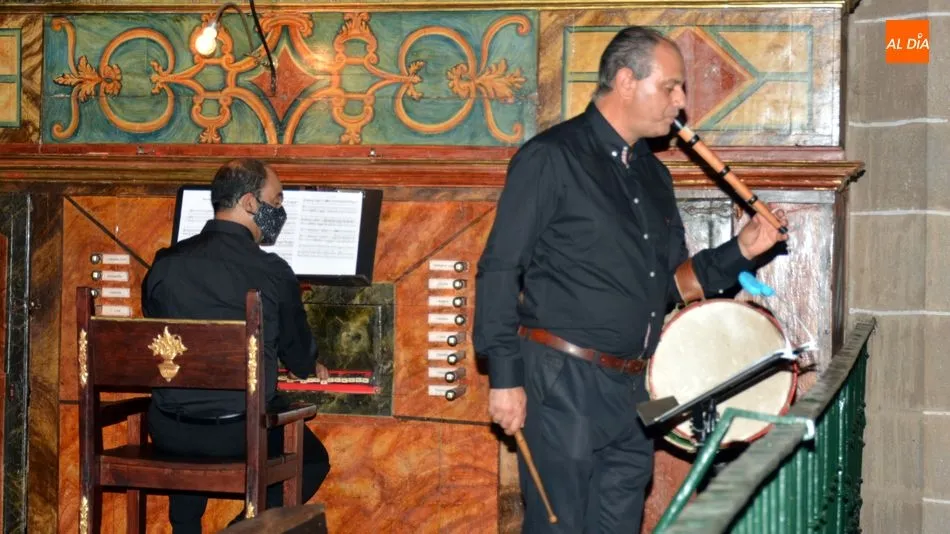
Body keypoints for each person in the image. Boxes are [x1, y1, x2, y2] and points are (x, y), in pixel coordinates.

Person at [473, 26, 789, 533]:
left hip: (637, 390)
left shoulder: (653, 175)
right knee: (559, 526)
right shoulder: (552, 157)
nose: (681, 102)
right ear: (625, 82)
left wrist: (742, 251)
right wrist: (505, 380)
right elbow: (499, 267)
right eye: (670, 87)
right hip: (562, 381)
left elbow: (671, 287)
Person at [142, 158, 331, 533]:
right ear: (249, 202)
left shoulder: (164, 264)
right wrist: (311, 363)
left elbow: (158, 334)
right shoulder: (271, 270)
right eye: (276, 201)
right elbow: (297, 354)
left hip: (168, 431)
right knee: (312, 461)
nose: (280, 210)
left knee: (189, 414)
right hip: (240, 434)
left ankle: (185, 526)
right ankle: (240, 531)